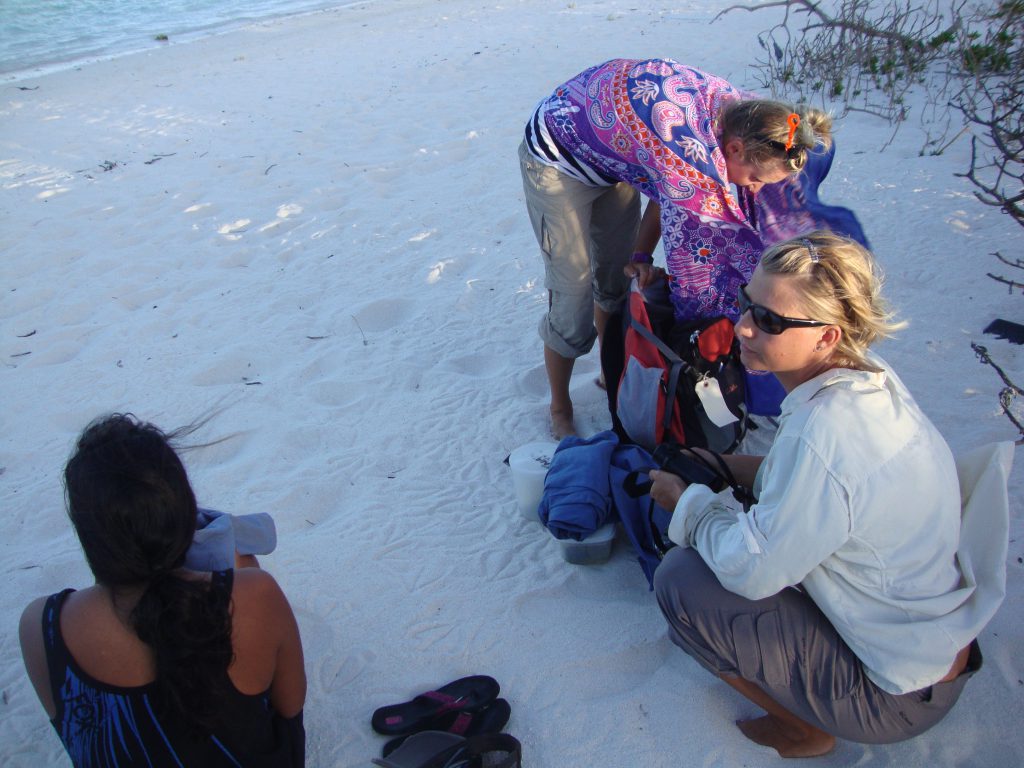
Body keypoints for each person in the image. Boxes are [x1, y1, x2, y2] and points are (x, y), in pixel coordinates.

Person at [649, 231, 1000, 757]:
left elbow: (752, 570)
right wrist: (721, 465)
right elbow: (814, 477)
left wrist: (689, 505)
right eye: (747, 302)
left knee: (681, 579)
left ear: (828, 336)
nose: (743, 325)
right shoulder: (871, 379)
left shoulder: (825, 435)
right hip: (933, 645)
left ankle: (804, 732)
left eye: (770, 321)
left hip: (896, 695)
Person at [520, 58, 834, 438]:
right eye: (754, 179)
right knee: (573, 297)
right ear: (733, 149)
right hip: (557, 154)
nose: (753, 189)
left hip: (613, 154)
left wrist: (640, 256)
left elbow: (663, 185)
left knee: (615, 282)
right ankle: (559, 406)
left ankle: (612, 370)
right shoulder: (688, 154)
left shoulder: (745, 117)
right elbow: (679, 189)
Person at [19, 414, 306, 767]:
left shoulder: (40, 627)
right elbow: (290, 708)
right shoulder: (256, 595)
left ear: (90, 538)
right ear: (184, 510)